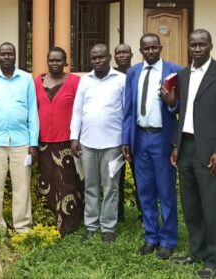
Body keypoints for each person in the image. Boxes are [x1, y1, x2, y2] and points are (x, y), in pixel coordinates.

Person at [169, 29, 216, 279]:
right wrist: (177, 145)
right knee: (190, 205)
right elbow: (183, 114)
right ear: (188, 47)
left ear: (211, 46)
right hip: (186, 147)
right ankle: (196, 252)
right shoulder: (184, 74)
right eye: (193, 45)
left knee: (212, 208)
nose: (197, 49)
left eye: (202, 44)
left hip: (210, 151)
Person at [121, 33, 183, 260]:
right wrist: (125, 139)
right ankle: (151, 237)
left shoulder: (174, 70)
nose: (150, 51)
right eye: (145, 48)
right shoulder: (133, 72)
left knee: (165, 191)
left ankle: (168, 240)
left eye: (154, 47)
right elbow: (128, 109)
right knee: (145, 191)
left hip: (162, 138)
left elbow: (181, 109)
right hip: (139, 137)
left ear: (160, 48)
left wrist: (172, 103)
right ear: (140, 50)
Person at [0, 42, 39, 232]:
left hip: (21, 143)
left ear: (15, 56)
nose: (6, 57)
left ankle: (22, 226)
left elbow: (33, 113)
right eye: (3, 54)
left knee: (21, 187)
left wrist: (33, 143)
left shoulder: (27, 79)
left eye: (10, 54)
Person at [70, 43, 126, 244]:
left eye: (101, 57)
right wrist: (74, 137)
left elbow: (127, 113)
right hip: (87, 143)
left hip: (113, 144)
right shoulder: (85, 81)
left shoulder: (121, 80)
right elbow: (77, 111)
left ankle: (108, 227)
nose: (97, 61)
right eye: (94, 58)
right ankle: (92, 226)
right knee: (91, 186)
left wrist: (125, 141)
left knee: (110, 186)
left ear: (109, 57)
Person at [34, 47, 83, 236]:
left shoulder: (75, 82)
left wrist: (76, 137)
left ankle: (68, 224)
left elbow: (80, 111)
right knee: (47, 182)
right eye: (51, 60)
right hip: (43, 142)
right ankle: (47, 220)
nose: (55, 63)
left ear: (65, 62)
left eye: (59, 60)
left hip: (66, 142)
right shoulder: (37, 82)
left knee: (67, 183)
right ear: (47, 61)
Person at [114, 43, 142, 222]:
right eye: (118, 52)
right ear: (114, 56)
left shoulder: (139, 73)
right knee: (116, 177)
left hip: (136, 135)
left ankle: (143, 213)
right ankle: (118, 213)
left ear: (132, 54)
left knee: (140, 176)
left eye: (125, 52)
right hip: (115, 135)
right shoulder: (110, 75)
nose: (122, 55)